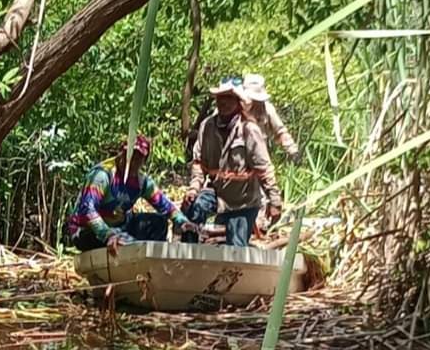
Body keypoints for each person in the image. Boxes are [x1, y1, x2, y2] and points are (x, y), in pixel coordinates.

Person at [182, 80, 282, 247]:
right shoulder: (207, 126)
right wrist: (194, 188)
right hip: (216, 192)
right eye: (220, 99)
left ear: (238, 103)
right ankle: (187, 256)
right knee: (194, 211)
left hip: (243, 200)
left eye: (229, 99)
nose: (224, 103)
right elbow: (199, 163)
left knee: (236, 246)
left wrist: (275, 201)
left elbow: (264, 169)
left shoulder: (249, 130)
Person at [67, 134, 196, 255]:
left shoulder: (141, 182)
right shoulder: (103, 175)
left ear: (143, 161)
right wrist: (107, 235)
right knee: (124, 240)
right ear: (122, 153)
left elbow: (165, 205)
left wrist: (183, 221)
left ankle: (149, 266)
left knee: (159, 223)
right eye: (130, 155)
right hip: (86, 231)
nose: (133, 161)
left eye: (138, 158)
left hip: (119, 226)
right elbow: (87, 210)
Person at [241, 73, 300, 163]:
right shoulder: (233, 107)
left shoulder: (267, 109)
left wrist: (293, 151)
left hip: (259, 157)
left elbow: (280, 132)